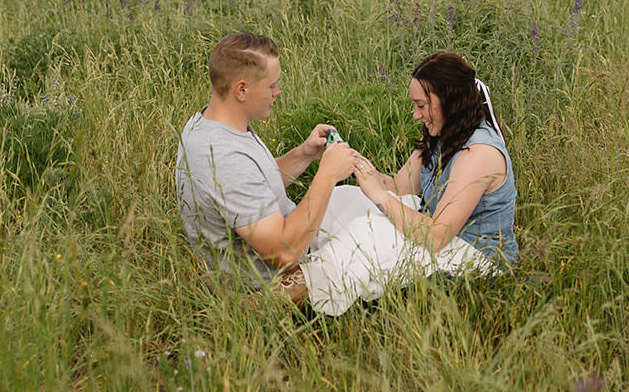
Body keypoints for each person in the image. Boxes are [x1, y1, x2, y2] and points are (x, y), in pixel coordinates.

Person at [174, 32, 357, 304]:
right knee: (379, 236)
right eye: (272, 85)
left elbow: (253, 187)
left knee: (358, 202)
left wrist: (304, 154)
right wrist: (328, 174)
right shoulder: (223, 158)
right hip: (268, 287)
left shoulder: (210, 124)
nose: (278, 92)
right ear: (242, 90)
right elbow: (285, 252)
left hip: (285, 240)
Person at [352, 52, 518, 267]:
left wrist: (379, 195)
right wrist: (359, 166)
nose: (416, 115)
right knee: (347, 198)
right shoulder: (442, 133)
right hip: (444, 239)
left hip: (478, 257)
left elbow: (436, 237)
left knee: (370, 230)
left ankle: (305, 282)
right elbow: (398, 188)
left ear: (450, 103)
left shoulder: (478, 153)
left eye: (421, 106)